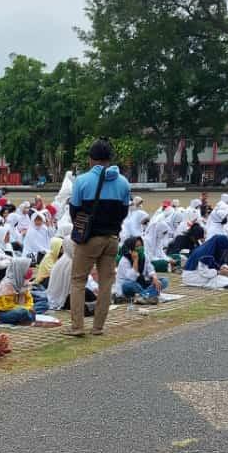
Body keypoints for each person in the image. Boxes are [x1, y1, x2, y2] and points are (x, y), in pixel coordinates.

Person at [68, 139, 131, 336]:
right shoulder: (123, 182)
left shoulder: (82, 181)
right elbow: (123, 212)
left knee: (78, 280)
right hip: (112, 237)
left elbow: (74, 211)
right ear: (109, 159)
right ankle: (98, 327)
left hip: (89, 238)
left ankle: (78, 326)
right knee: (106, 282)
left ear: (91, 159)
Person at [114, 237, 167, 304]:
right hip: (128, 287)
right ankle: (148, 295)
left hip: (142, 284)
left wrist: (154, 278)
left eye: (141, 245)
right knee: (129, 284)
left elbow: (151, 269)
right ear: (131, 249)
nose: (140, 248)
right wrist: (135, 261)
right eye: (137, 246)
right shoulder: (124, 260)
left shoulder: (144, 256)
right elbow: (132, 278)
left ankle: (143, 296)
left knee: (164, 281)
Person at [0, 257, 35, 325]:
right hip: (3, 313)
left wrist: (29, 307)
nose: (30, 270)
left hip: (18, 308)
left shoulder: (22, 281)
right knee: (23, 312)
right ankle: (24, 318)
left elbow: (29, 299)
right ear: (20, 269)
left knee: (38, 306)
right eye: (27, 267)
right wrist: (26, 308)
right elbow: (7, 307)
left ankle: (25, 318)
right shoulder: (7, 284)